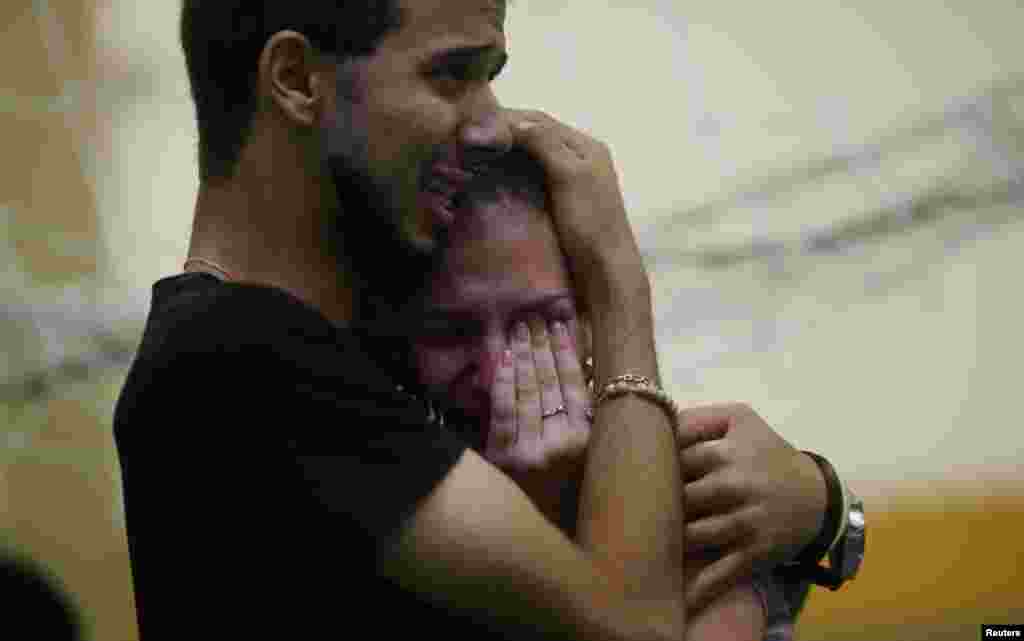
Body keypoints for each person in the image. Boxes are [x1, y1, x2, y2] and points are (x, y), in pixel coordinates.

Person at [114, 2, 862, 639]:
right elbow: (638, 624)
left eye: (491, 78)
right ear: (297, 79)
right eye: (451, 74)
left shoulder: (347, 359)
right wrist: (618, 288)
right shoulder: (233, 356)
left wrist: (820, 506)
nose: (493, 125)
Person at [399, 148, 855, 640]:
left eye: (540, 324)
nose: (495, 371)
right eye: (449, 331)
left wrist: (823, 500)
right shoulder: (377, 483)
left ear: (596, 321)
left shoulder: (675, 481)